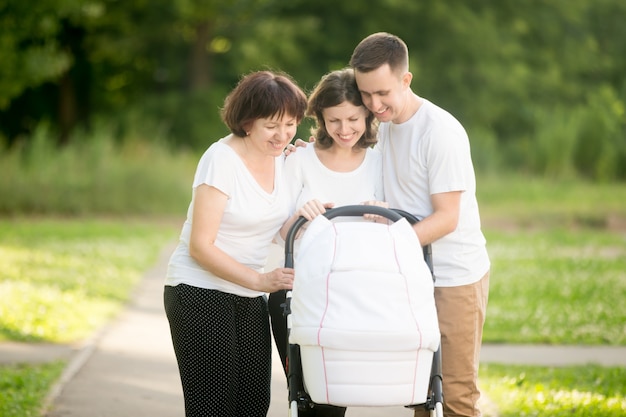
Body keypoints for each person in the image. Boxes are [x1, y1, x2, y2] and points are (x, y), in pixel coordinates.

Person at [349, 32, 491, 417]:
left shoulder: (439, 131)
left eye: (382, 93)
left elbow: (447, 217)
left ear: (405, 80)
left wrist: (391, 244)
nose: (374, 104)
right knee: (423, 395)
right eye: (365, 94)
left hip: (453, 278)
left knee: (457, 396)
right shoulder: (387, 127)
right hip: (412, 275)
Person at [163, 70, 307, 417]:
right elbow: (201, 245)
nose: (283, 134)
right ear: (247, 122)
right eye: (272, 125)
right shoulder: (221, 159)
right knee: (214, 405)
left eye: (290, 124)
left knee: (253, 404)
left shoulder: (285, 161)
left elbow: (277, 227)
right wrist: (260, 280)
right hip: (199, 290)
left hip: (248, 295)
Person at [268, 67, 382, 417]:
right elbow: (276, 230)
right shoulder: (298, 159)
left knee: (332, 402)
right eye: (334, 120)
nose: (344, 130)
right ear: (320, 118)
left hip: (354, 295)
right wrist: (299, 219)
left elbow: (400, 232)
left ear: (368, 114)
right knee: (306, 399)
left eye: (353, 119)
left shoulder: (381, 162)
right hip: (298, 294)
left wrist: (384, 214)